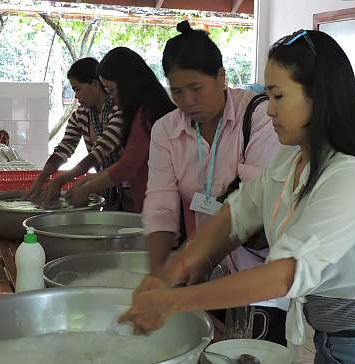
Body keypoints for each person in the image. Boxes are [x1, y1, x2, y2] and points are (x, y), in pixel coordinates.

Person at [121, 30, 355, 363]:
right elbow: (237, 213)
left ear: (318, 97)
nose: (270, 110)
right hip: (334, 336)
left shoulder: (349, 174)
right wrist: (174, 267)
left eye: (278, 96)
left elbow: (285, 274)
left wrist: (174, 301)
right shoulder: (292, 158)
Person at [141, 21, 285, 343]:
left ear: (221, 77)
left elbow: (250, 208)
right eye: (177, 91)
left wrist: (192, 262)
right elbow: (161, 205)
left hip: (256, 272)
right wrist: (158, 275)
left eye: (196, 88)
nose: (188, 101)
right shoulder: (166, 130)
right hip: (201, 271)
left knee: (252, 349)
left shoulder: (260, 117)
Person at [64, 47, 176, 212]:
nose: (112, 98)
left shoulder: (147, 114)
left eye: (111, 90)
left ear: (128, 84)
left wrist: (87, 186)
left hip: (162, 208)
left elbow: (128, 166)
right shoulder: (145, 112)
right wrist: (89, 180)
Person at [24, 57, 124, 201]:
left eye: (78, 89)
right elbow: (65, 147)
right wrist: (41, 179)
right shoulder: (80, 115)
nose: (76, 96)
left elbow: (100, 151)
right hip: (106, 184)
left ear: (95, 84)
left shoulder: (118, 110)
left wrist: (64, 179)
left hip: (130, 187)